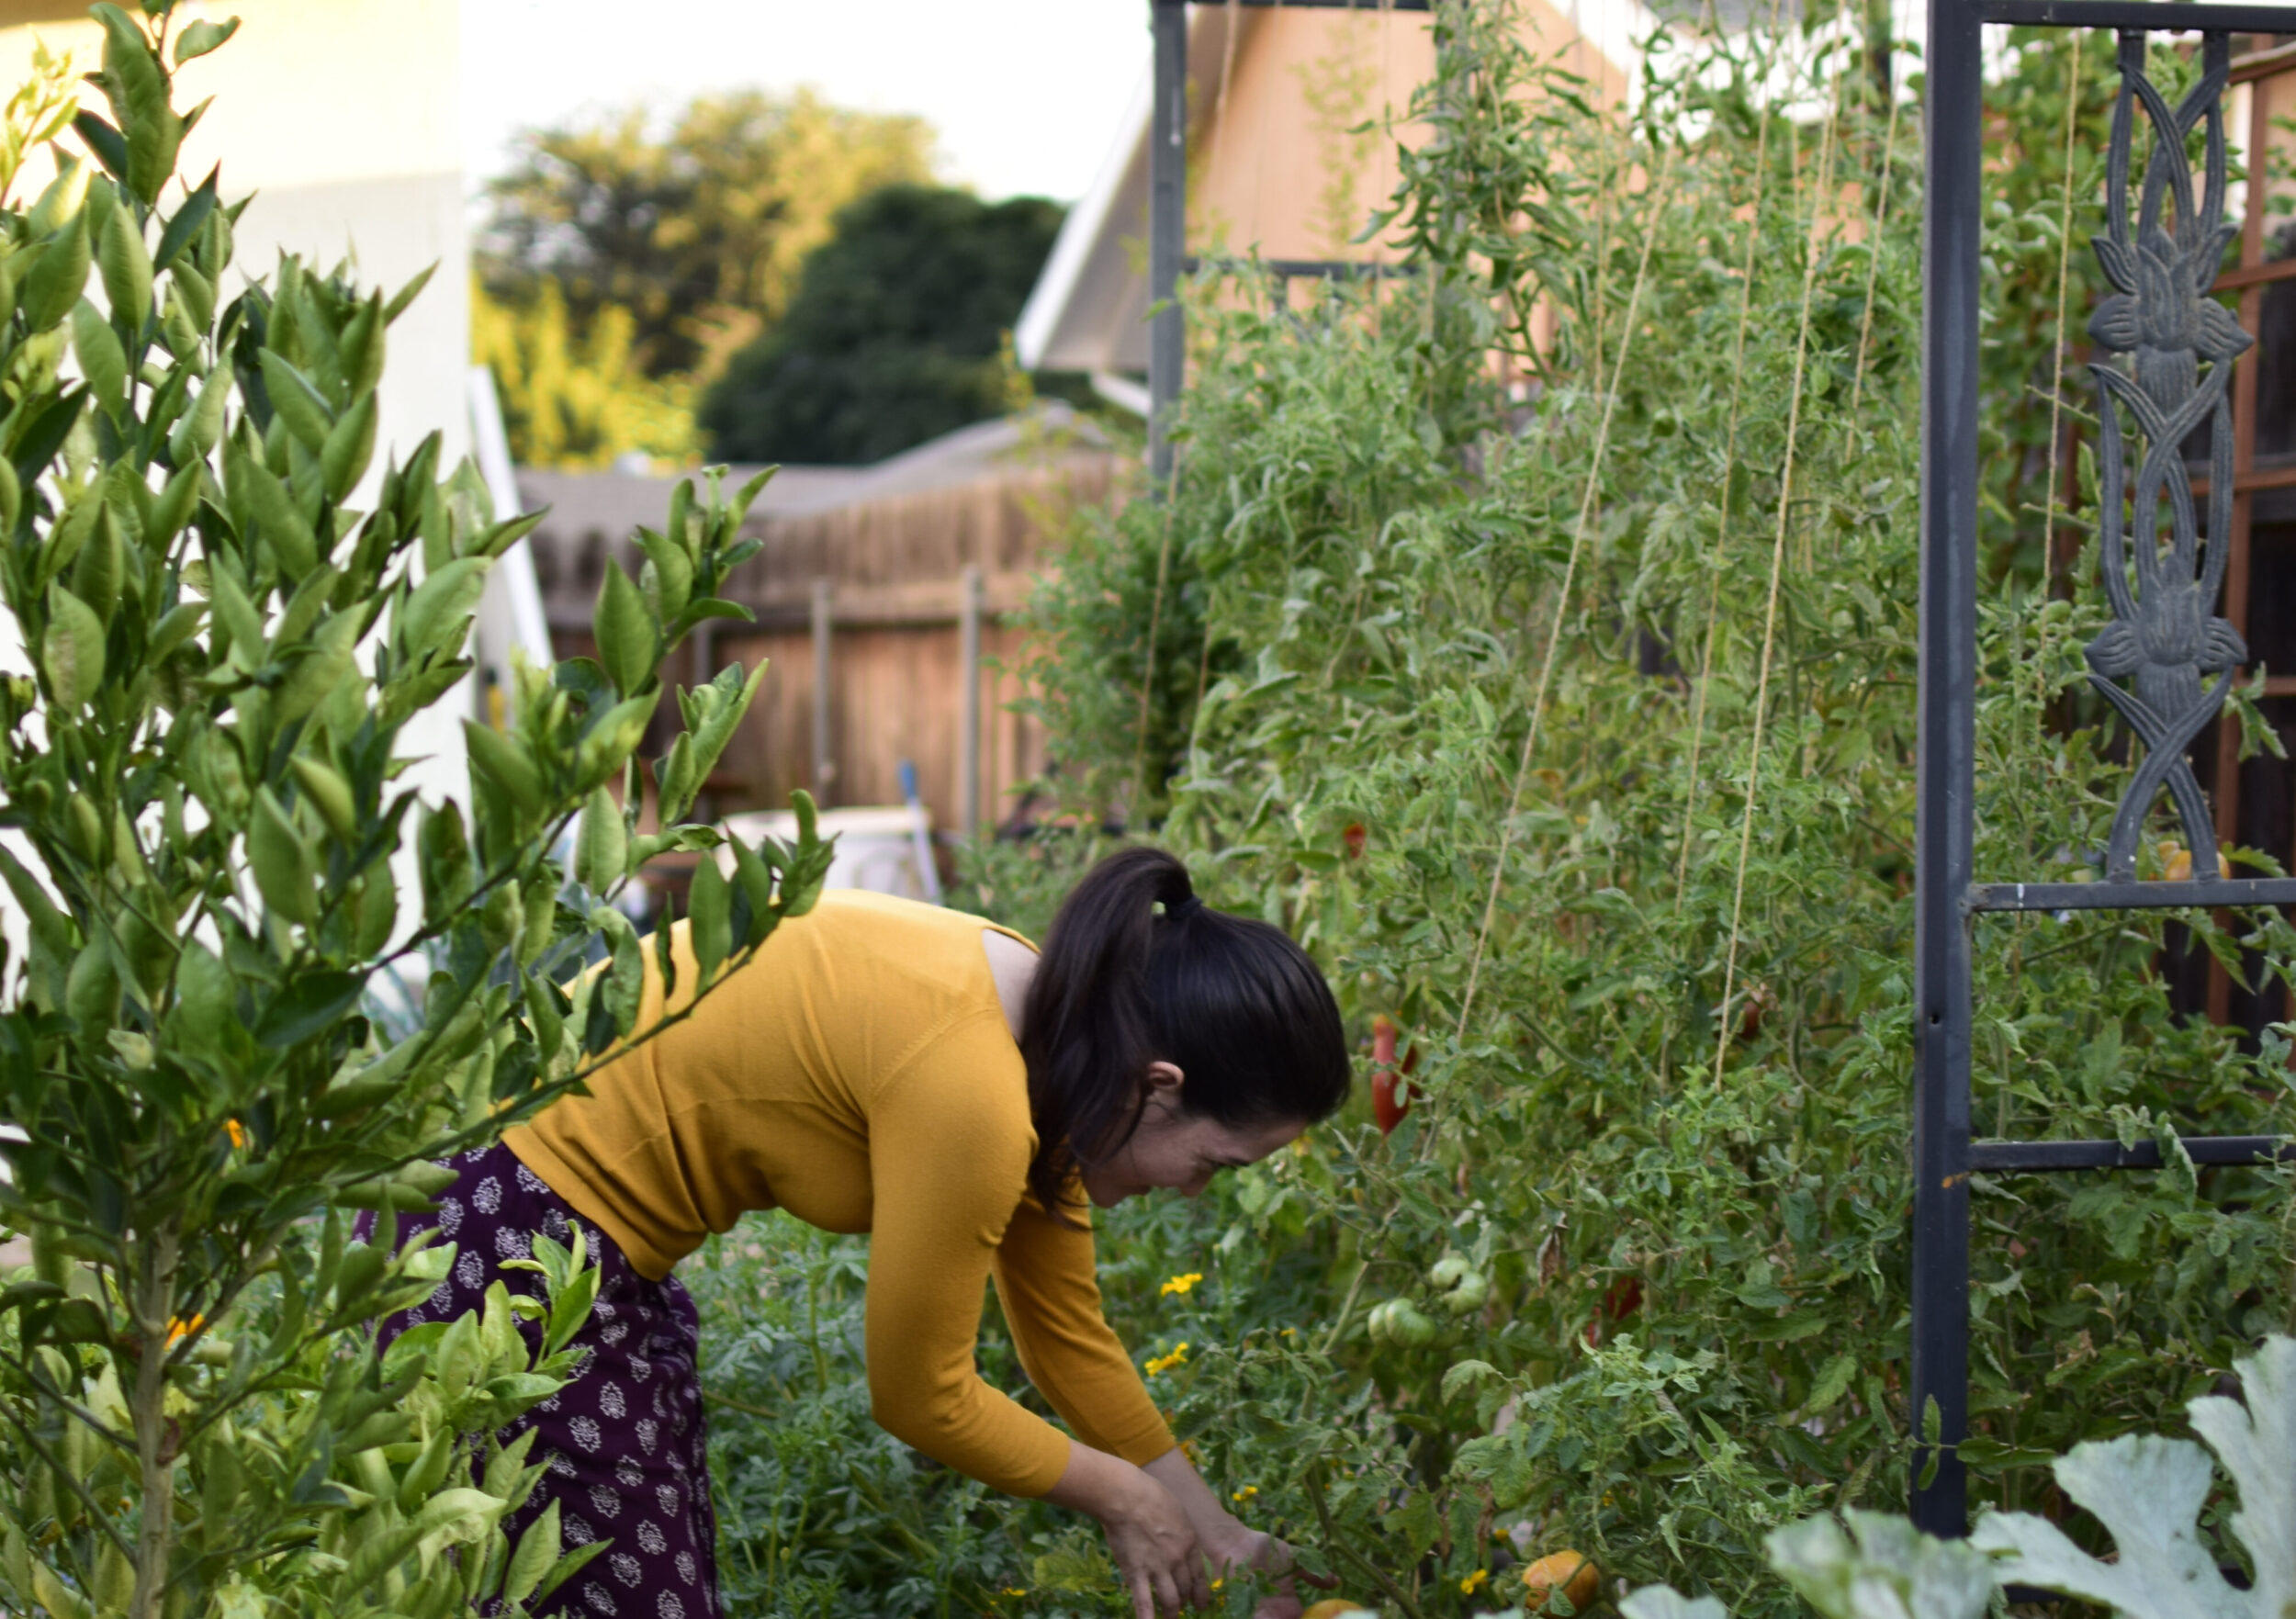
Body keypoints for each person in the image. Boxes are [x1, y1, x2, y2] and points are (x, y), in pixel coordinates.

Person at [374, 846, 1351, 1619]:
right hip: (500, 1232)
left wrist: (1215, 1530)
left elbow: (1068, 1338)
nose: (1191, 1195)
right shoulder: (975, 1087)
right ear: (1160, 1085)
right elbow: (921, 1395)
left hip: (531, 1216)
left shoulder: (1055, 1027)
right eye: (1215, 1165)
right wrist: (1125, 1498)